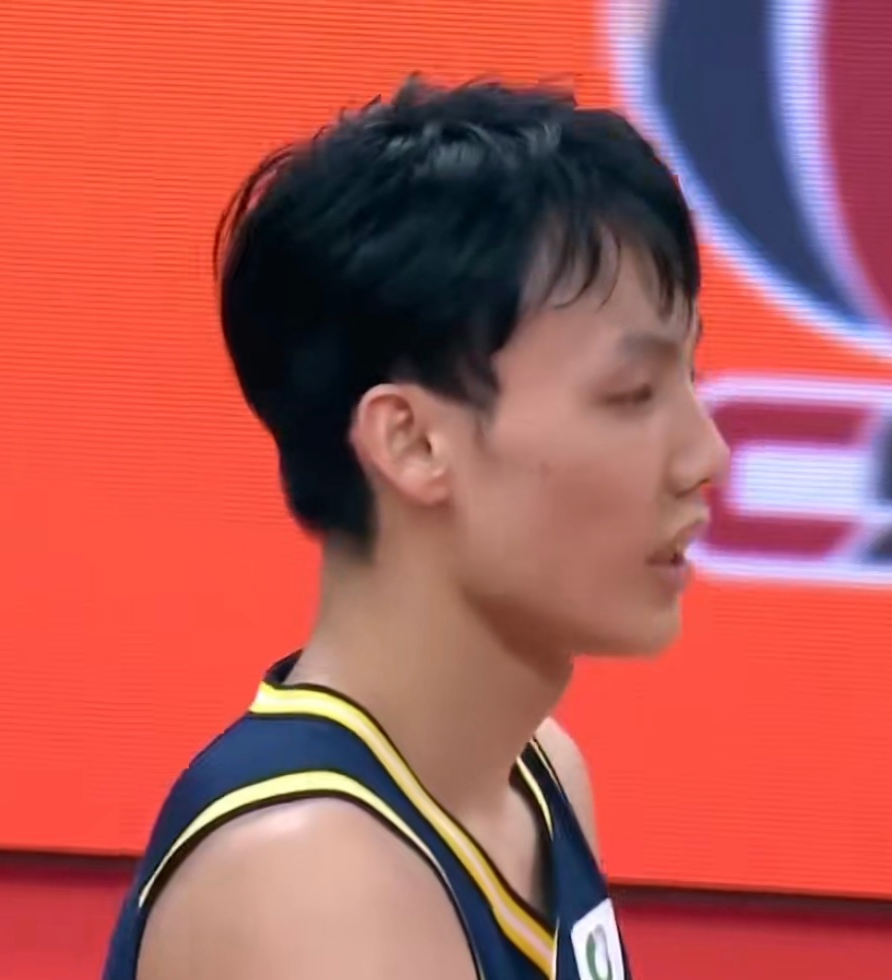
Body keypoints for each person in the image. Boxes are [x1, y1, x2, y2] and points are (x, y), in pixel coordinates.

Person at [102, 75, 729, 980]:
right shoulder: (306, 886)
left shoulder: (538, 777)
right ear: (411, 442)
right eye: (631, 394)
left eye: (688, 380)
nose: (704, 455)